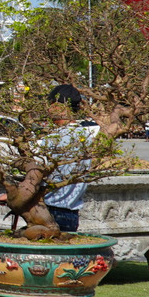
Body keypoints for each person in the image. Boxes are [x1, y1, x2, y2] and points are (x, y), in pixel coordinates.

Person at [42, 86, 99, 233]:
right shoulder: (87, 137)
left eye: (51, 105)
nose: (48, 110)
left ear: (60, 107)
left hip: (51, 211)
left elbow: (39, 177)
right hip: (72, 213)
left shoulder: (51, 140)